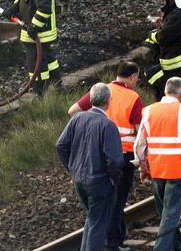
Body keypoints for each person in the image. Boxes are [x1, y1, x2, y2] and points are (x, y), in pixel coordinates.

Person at [69, 61, 144, 251]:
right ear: (133, 76)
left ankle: (106, 241)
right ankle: (113, 242)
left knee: (101, 208)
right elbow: (140, 130)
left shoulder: (101, 90)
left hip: (96, 154)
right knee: (116, 201)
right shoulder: (133, 97)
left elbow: (73, 111)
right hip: (122, 156)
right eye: (137, 77)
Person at [135, 77, 181, 251]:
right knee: (171, 216)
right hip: (177, 171)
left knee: (167, 215)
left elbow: (139, 145)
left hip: (157, 170)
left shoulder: (148, 111)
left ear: (166, 91)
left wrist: (143, 166)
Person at [56, 83, 124, 251]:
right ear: (108, 101)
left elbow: (61, 145)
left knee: (93, 219)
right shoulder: (107, 125)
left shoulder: (77, 118)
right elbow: (115, 160)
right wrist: (113, 179)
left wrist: (72, 169)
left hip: (80, 181)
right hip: (100, 183)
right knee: (98, 226)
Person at [2, 0, 60, 93]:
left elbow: (44, 9)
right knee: (48, 60)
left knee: (36, 64)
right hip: (38, 33)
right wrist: (14, 8)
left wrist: (34, 27)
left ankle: (40, 94)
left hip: (39, 33)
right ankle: (57, 85)